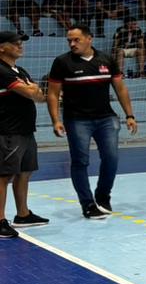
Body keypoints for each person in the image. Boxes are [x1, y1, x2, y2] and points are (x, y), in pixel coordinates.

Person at [46, 25, 138, 219]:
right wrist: (55, 120)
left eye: (76, 40)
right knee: (80, 161)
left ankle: (103, 196)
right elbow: (53, 94)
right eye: (69, 40)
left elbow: (120, 89)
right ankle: (87, 204)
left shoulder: (106, 59)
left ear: (89, 39)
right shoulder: (62, 62)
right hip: (76, 120)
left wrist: (130, 115)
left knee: (111, 158)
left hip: (106, 118)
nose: (72, 44)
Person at [0, 30, 48, 237]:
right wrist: (33, 89)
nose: (20, 45)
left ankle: (23, 214)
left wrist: (33, 89)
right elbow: (31, 92)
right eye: (15, 43)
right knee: (3, 175)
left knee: (24, 172)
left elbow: (40, 97)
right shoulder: (1, 70)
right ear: (2, 47)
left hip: (26, 129)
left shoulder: (19, 70)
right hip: (8, 130)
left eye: (20, 42)